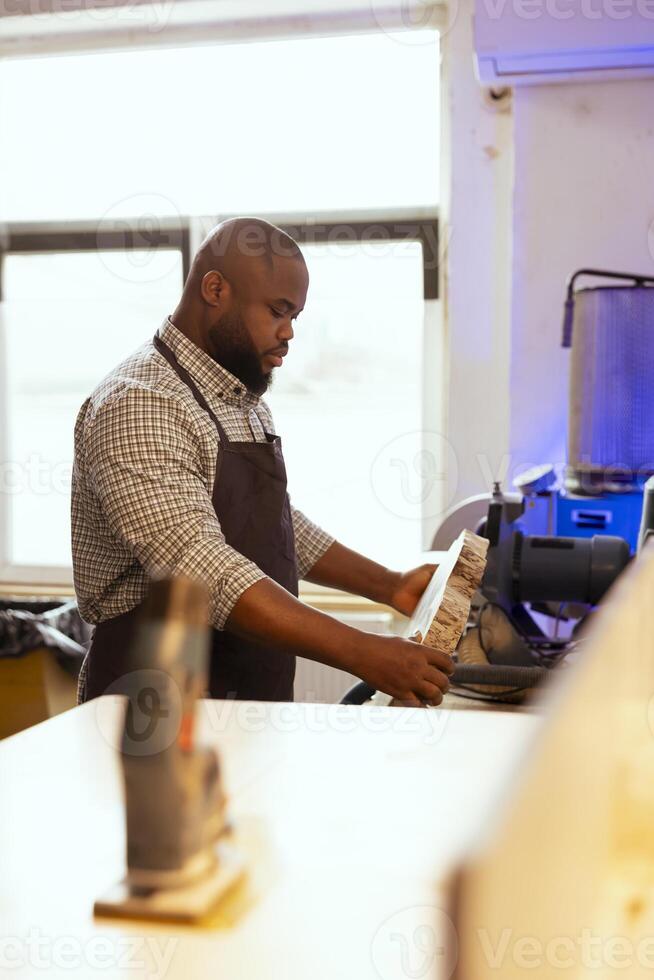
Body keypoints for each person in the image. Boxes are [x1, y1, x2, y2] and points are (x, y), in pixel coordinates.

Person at [72, 217, 453, 706]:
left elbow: (270, 522)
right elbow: (199, 568)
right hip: (152, 710)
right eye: (278, 310)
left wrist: (391, 585)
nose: (289, 332)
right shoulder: (141, 402)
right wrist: (365, 652)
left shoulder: (238, 395)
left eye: (295, 315)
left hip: (246, 698)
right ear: (215, 289)